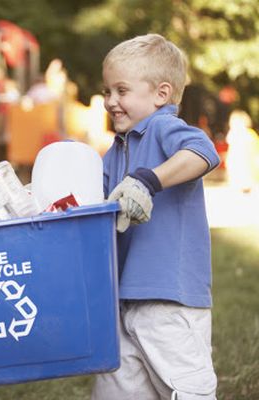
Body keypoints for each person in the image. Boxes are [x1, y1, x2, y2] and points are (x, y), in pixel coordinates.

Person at [93, 34, 220, 400]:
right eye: (107, 91)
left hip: (168, 296)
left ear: (161, 95)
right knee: (118, 390)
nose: (110, 102)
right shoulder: (115, 150)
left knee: (185, 389)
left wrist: (150, 180)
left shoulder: (162, 128)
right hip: (122, 298)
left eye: (121, 90)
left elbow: (204, 152)